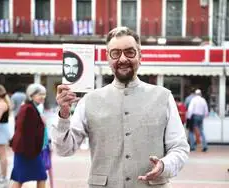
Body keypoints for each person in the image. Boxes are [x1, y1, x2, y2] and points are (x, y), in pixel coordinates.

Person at [51, 26, 189, 188]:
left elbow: (179, 148)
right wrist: (64, 115)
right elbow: (64, 149)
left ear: (140, 56)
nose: (123, 59)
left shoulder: (163, 97)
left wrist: (164, 165)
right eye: (115, 53)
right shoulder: (89, 100)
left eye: (130, 52)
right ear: (108, 58)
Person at [10, 83, 47, 188]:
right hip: (28, 151)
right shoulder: (29, 109)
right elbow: (27, 132)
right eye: (40, 94)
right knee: (40, 176)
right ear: (31, 95)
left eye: (44, 94)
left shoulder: (28, 107)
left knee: (20, 178)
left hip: (24, 149)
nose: (43, 97)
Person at [38, 103, 54, 188]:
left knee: (46, 167)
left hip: (44, 146)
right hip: (44, 146)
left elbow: (46, 133)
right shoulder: (41, 119)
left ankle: (51, 185)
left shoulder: (42, 119)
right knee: (46, 168)